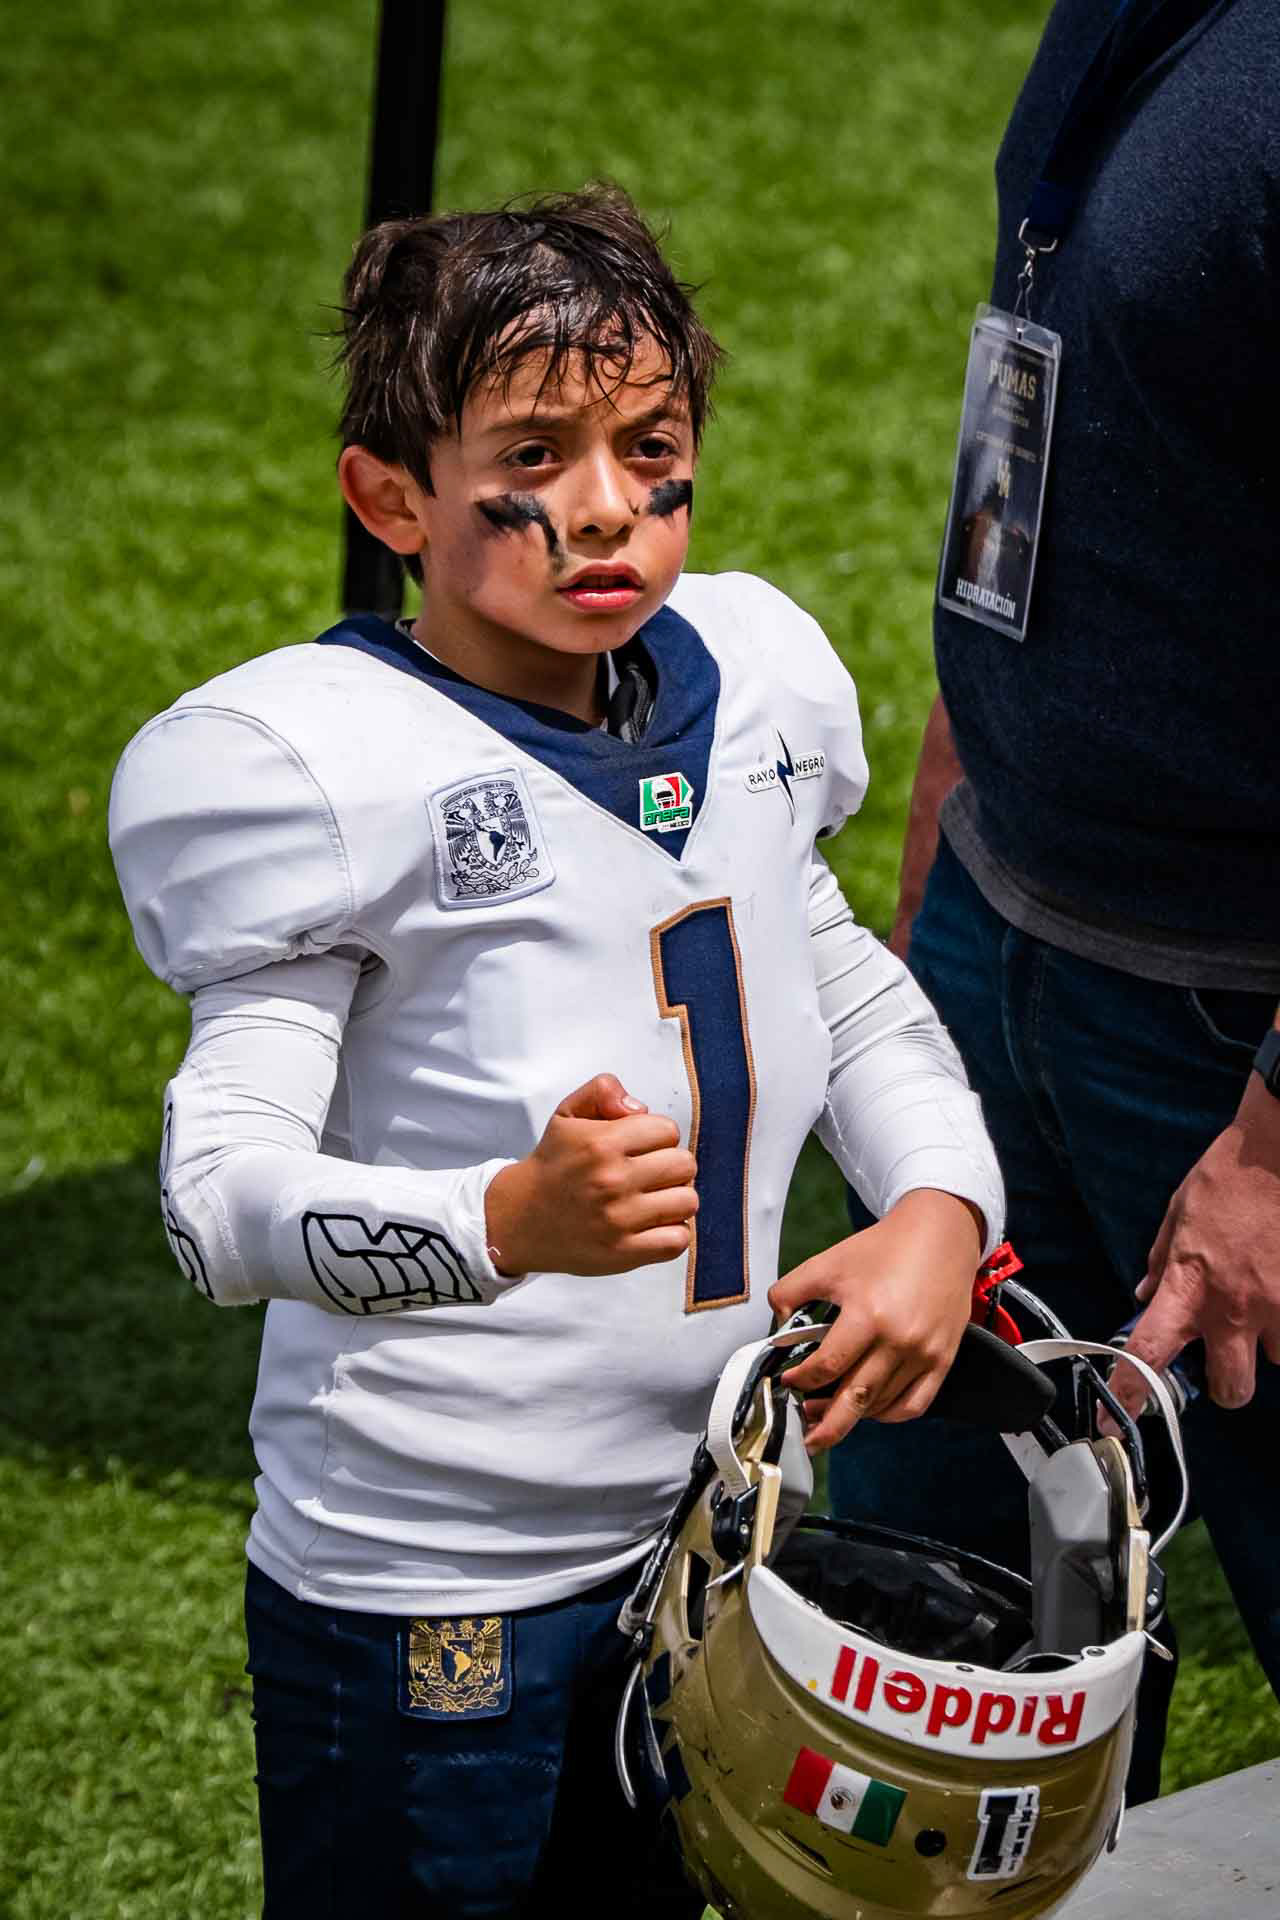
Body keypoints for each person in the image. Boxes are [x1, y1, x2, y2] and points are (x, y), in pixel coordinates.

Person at [108, 187, 1004, 1917]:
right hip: (434, 1585)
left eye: (647, 446)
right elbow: (214, 1201)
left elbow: (837, 980)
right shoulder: (318, 770)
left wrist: (940, 1207)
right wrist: (504, 1219)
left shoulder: (750, 679)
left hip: (707, 1535)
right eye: (533, 454)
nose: (603, 506)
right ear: (392, 498)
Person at [830, 0, 1280, 1805]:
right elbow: (1043, 404)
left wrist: (1274, 1140)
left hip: (1228, 1052)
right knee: (922, 1667)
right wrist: (949, 836)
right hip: (1000, 941)